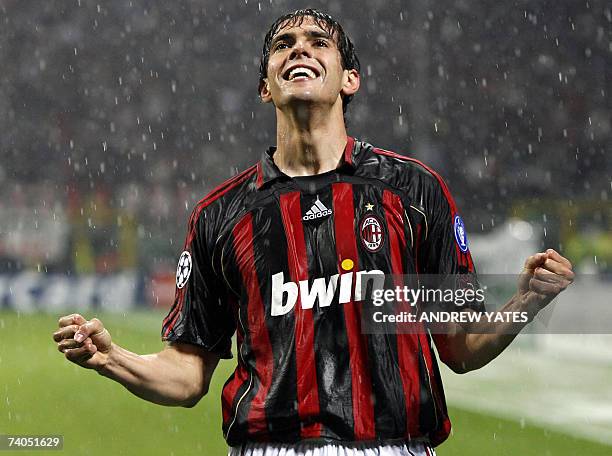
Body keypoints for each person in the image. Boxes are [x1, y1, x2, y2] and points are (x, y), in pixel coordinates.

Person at [53, 9, 575, 456]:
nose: (298, 49)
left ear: (350, 78)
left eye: (317, 42)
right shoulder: (219, 215)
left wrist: (526, 299)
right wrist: (112, 359)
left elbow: (461, 347)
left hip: (392, 445)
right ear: (265, 87)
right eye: (283, 45)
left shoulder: (413, 192)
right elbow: (188, 375)